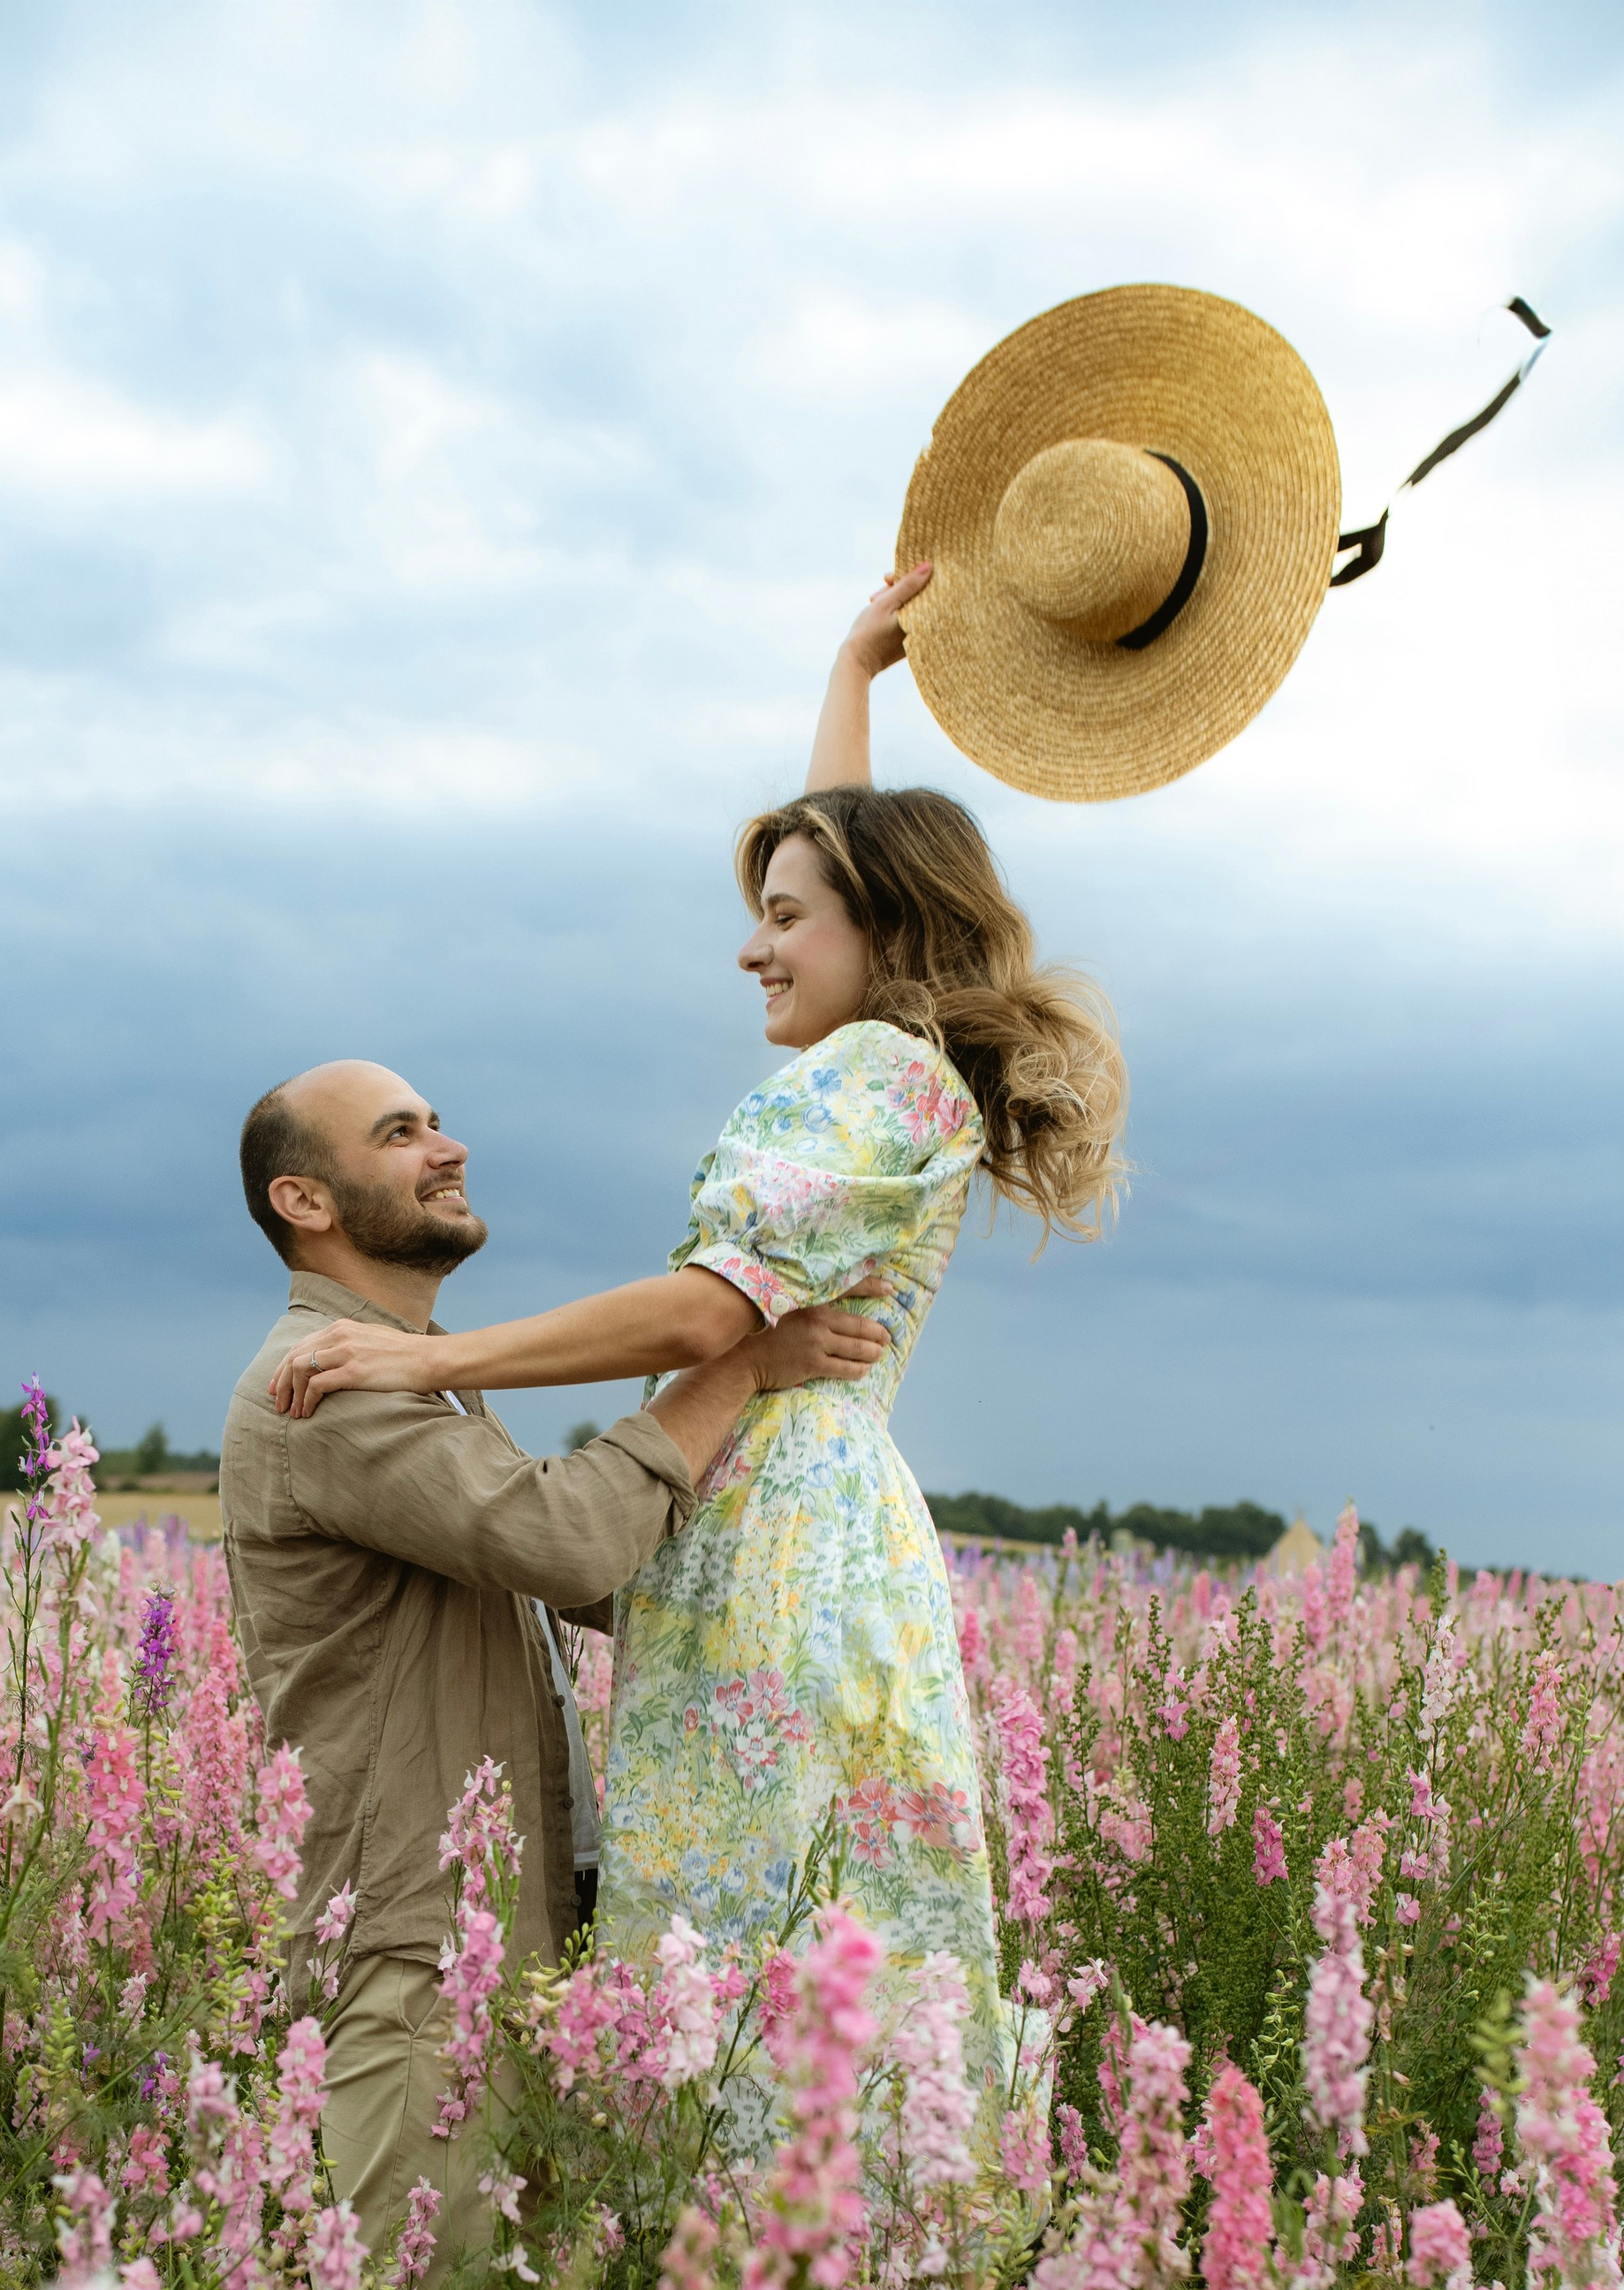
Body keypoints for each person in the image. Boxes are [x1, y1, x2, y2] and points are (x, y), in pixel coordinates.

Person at [278, 572, 1128, 2053]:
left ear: (878, 927)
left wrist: (427, 1361)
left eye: (782, 921)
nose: (752, 949)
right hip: (792, 1528)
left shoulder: (874, 1078)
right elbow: (847, 867)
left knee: (753, 1955)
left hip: (784, 1546)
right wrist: (852, 670)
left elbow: (698, 1319)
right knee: (785, 1944)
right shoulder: (889, 1064)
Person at [219, 1055, 890, 2263]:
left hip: (499, 1927)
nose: (449, 1148)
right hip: (417, 1947)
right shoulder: (326, 1387)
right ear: (303, 1201)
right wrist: (739, 1365)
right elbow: (565, 1541)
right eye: (399, 1134)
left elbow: (599, 1582)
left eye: (438, 1122)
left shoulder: (414, 1375)